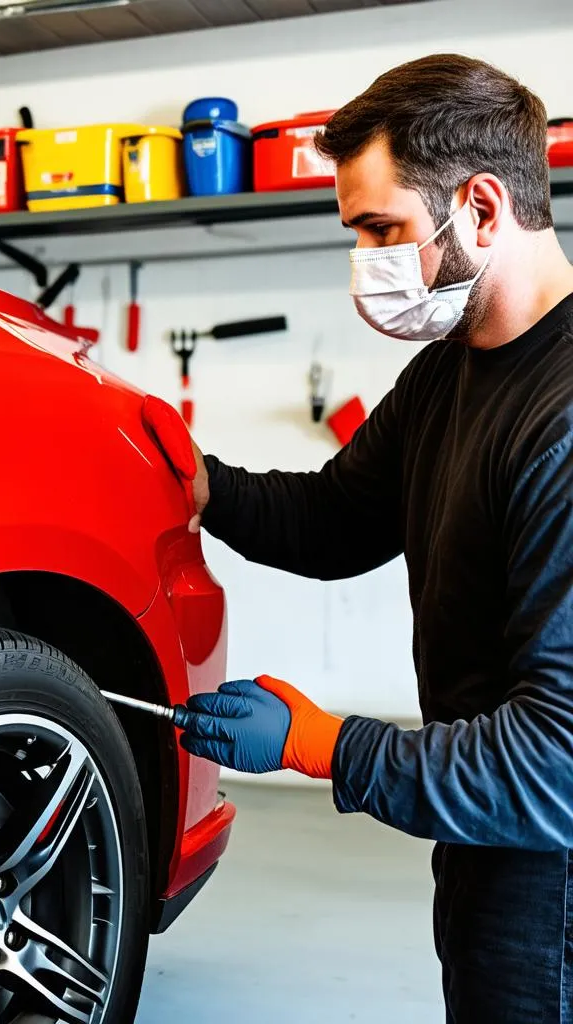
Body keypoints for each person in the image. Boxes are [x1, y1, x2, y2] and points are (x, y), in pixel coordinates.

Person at [178, 54, 573, 1022]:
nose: (367, 264)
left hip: (552, 877)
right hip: (486, 843)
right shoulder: (449, 372)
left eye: (382, 230)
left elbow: (555, 762)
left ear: (482, 207)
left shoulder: (562, 420)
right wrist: (194, 482)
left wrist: (326, 745)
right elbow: (335, 520)